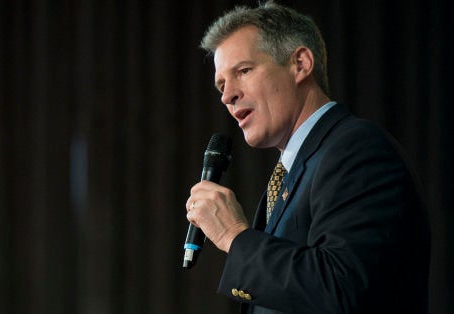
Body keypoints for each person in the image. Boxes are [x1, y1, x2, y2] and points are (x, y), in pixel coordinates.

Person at [184, 1, 430, 313]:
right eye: (221, 84)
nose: (227, 95)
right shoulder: (293, 172)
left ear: (300, 63)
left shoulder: (357, 150)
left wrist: (234, 235)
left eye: (243, 71)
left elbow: (340, 288)